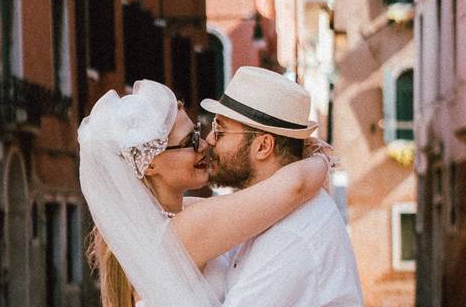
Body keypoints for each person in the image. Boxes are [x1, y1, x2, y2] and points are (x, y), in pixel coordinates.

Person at [78, 79, 333, 307]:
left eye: (198, 133)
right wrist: (320, 158)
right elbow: (296, 185)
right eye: (190, 141)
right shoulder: (183, 230)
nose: (204, 145)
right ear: (151, 164)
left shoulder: (164, 219)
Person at [200, 66, 364, 306]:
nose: (209, 140)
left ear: (263, 146)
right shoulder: (272, 211)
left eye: (220, 130)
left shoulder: (291, 236)